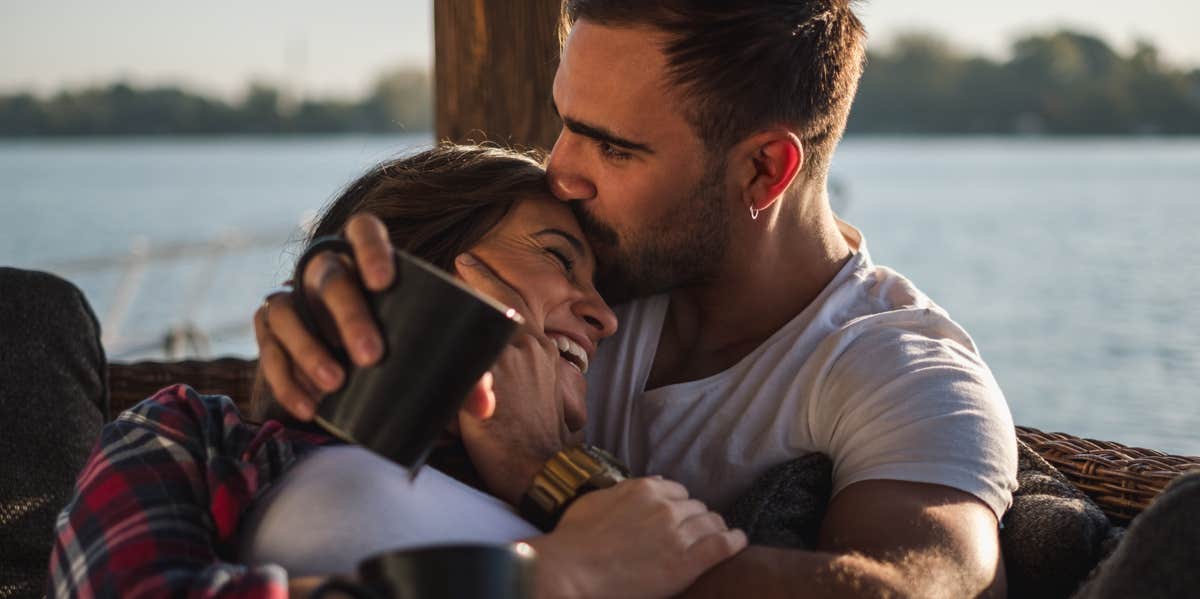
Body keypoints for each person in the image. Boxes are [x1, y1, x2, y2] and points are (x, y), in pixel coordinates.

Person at [260, 2, 1020, 597]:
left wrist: (546, 471)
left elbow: (915, 591)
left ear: (765, 170)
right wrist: (321, 329)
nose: (559, 172)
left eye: (613, 147)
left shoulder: (903, 372)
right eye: (564, 125)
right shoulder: (568, 276)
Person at [47, 144, 745, 599]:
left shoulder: (606, 500)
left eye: (605, 291)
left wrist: (549, 472)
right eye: (560, 258)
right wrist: (547, 576)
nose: (605, 317)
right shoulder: (194, 437)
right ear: (418, 268)